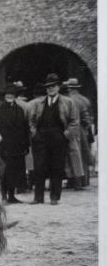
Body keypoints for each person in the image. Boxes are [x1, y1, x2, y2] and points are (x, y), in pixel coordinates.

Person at [29, 73, 79, 205]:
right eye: (48, 87)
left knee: (56, 167)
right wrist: (34, 133)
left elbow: (74, 122)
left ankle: (54, 197)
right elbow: (32, 120)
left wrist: (65, 135)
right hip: (41, 138)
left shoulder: (68, 102)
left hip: (58, 138)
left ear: (58, 87)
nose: (50, 89)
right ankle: (38, 197)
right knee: (39, 167)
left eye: (53, 86)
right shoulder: (39, 103)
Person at [0, 83, 30, 204]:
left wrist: (26, 144)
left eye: (12, 94)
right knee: (5, 171)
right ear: (4, 96)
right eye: (7, 94)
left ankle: (12, 195)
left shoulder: (20, 110)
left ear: (15, 96)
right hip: (5, 145)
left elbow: (25, 128)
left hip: (18, 145)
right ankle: (4, 195)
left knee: (16, 170)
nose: (9, 96)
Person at [63, 78, 93, 187]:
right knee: (83, 155)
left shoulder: (67, 100)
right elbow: (87, 118)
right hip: (82, 131)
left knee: (72, 156)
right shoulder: (85, 100)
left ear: (70, 88)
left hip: (72, 130)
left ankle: (74, 181)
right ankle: (85, 180)